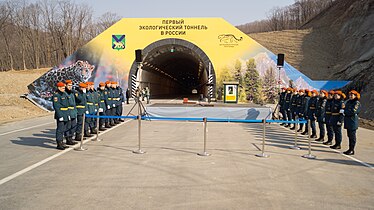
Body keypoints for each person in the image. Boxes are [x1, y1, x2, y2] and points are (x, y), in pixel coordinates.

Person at [343, 90, 361, 155]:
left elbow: (353, 111)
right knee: (349, 136)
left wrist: (345, 111)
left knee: (352, 136)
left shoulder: (356, 103)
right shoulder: (348, 102)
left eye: (352, 95)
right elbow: (345, 108)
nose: (350, 96)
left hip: (353, 121)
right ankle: (350, 148)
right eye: (350, 95)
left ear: (355, 96)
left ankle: (352, 149)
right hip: (348, 121)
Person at [52, 82, 70, 150]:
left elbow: (67, 105)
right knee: (60, 129)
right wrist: (60, 116)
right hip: (61, 114)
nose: (64, 89)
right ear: (59, 88)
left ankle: (62, 142)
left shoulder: (64, 93)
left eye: (64, 88)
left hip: (65, 113)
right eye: (62, 88)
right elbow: (56, 107)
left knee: (64, 129)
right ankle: (59, 143)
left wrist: (68, 114)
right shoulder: (56, 95)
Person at [64, 80, 78, 145]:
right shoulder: (64, 93)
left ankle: (71, 137)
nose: (70, 87)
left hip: (73, 111)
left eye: (71, 85)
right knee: (68, 127)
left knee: (74, 126)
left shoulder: (72, 93)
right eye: (68, 85)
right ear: (65, 85)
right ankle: (68, 139)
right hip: (68, 111)